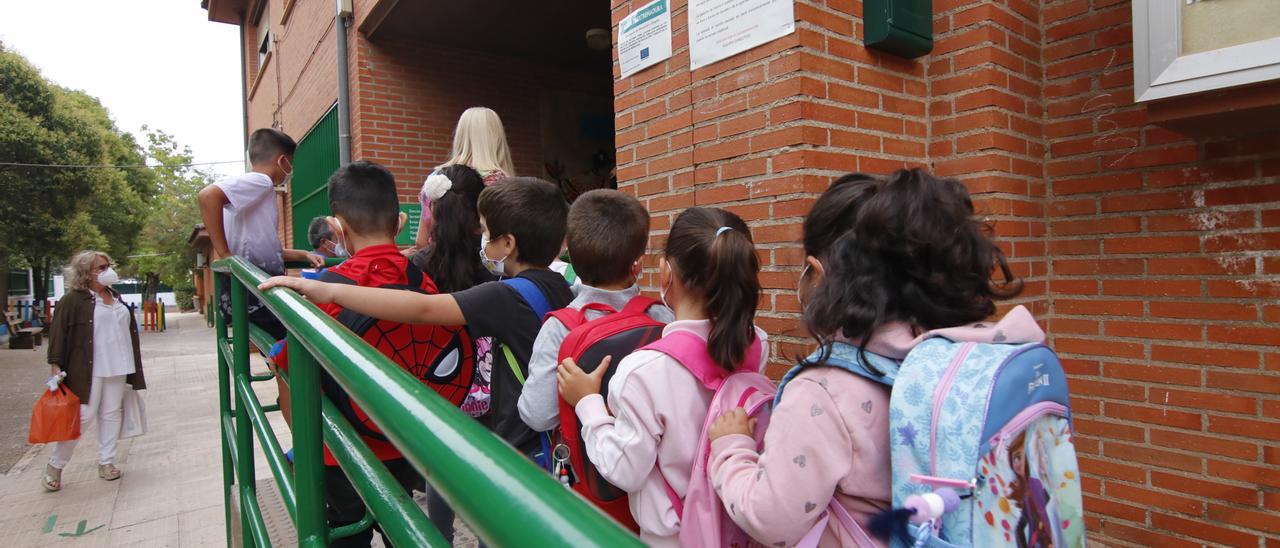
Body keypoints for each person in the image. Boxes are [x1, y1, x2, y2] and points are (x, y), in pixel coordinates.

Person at [705, 169, 1027, 547]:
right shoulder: (969, 355)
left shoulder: (822, 393)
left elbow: (771, 518)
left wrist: (731, 449)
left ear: (819, 274)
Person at [260, 178, 572, 462]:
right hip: (559, 435)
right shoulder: (565, 285)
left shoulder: (504, 297)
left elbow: (422, 308)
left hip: (526, 445)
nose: (482, 241)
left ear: (508, 244)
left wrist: (329, 291)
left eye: (486, 233)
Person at [273, 161, 458, 547]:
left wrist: (306, 448)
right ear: (400, 222)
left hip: (339, 455)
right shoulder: (421, 282)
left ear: (338, 227)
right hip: (406, 441)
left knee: (344, 533)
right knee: (401, 522)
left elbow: (287, 370)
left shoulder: (323, 292)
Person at [557, 207, 767, 547]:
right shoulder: (758, 344)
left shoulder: (644, 371)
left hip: (675, 536)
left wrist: (588, 403)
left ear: (666, 272)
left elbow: (626, 469)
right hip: (738, 524)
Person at [518, 189, 673, 433]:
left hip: (590, 467)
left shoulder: (560, 328)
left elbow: (537, 416)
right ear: (638, 265)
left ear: (572, 260)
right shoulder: (663, 318)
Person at [409, 163, 497, 543]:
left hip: (437, 388)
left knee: (439, 472)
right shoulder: (496, 267)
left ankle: (438, 538)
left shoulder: (416, 267)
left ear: (431, 210)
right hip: (487, 390)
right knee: (487, 474)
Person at [198, 128, 324, 339]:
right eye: (291, 163)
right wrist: (224, 253)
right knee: (303, 343)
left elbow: (263, 247)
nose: (290, 171)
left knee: (283, 352)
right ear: (282, 160)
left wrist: (303, 255)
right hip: (254, 291)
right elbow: (207, 195)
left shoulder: (248, 197)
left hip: (248, 291)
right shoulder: (261, 182)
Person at [42, 251, 147, 490]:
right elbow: (58, 335)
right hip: (89, 367)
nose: (107, 270)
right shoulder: (72, 301)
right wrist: (55, 366)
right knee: (84, 415)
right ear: (85, 273)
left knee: (111, 413)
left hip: (119, 364)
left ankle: (106, 461)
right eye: (100, 267)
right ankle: (55, 464)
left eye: (108, 265)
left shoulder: (114, 296)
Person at [405, 107, 516, 256]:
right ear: (497, 138)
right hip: (487, 270)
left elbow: (421, 242)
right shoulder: (503, 183)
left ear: (460, 136)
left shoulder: (436, 179)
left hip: (439, 267)